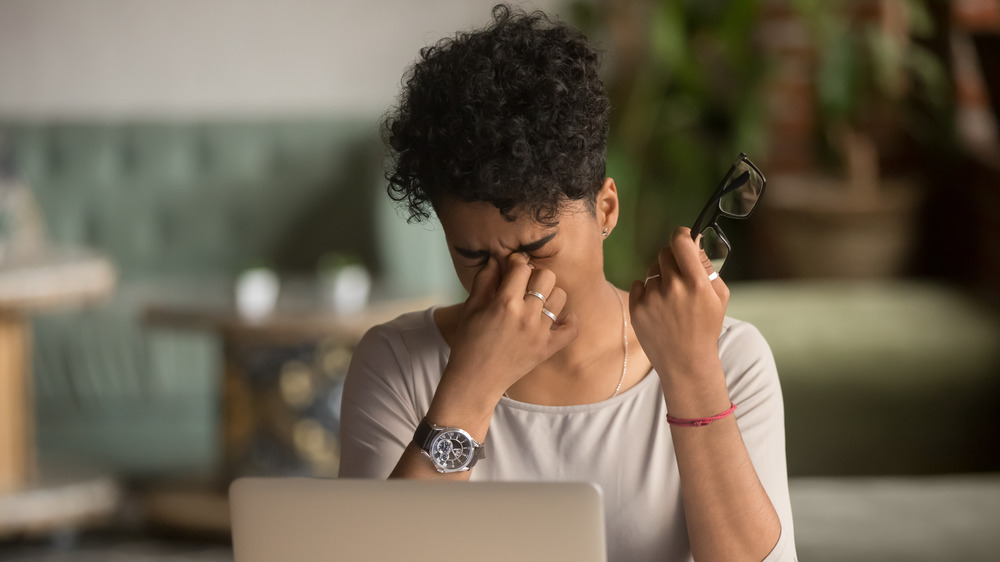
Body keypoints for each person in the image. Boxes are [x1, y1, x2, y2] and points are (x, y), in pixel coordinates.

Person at [338, 5, 796, 561]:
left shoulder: (730, 357)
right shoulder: (397, 363)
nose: (513, 280)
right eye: (473, 254)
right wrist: (472, 387)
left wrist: (692, 371)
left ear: (605, 209)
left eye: (537, 247)